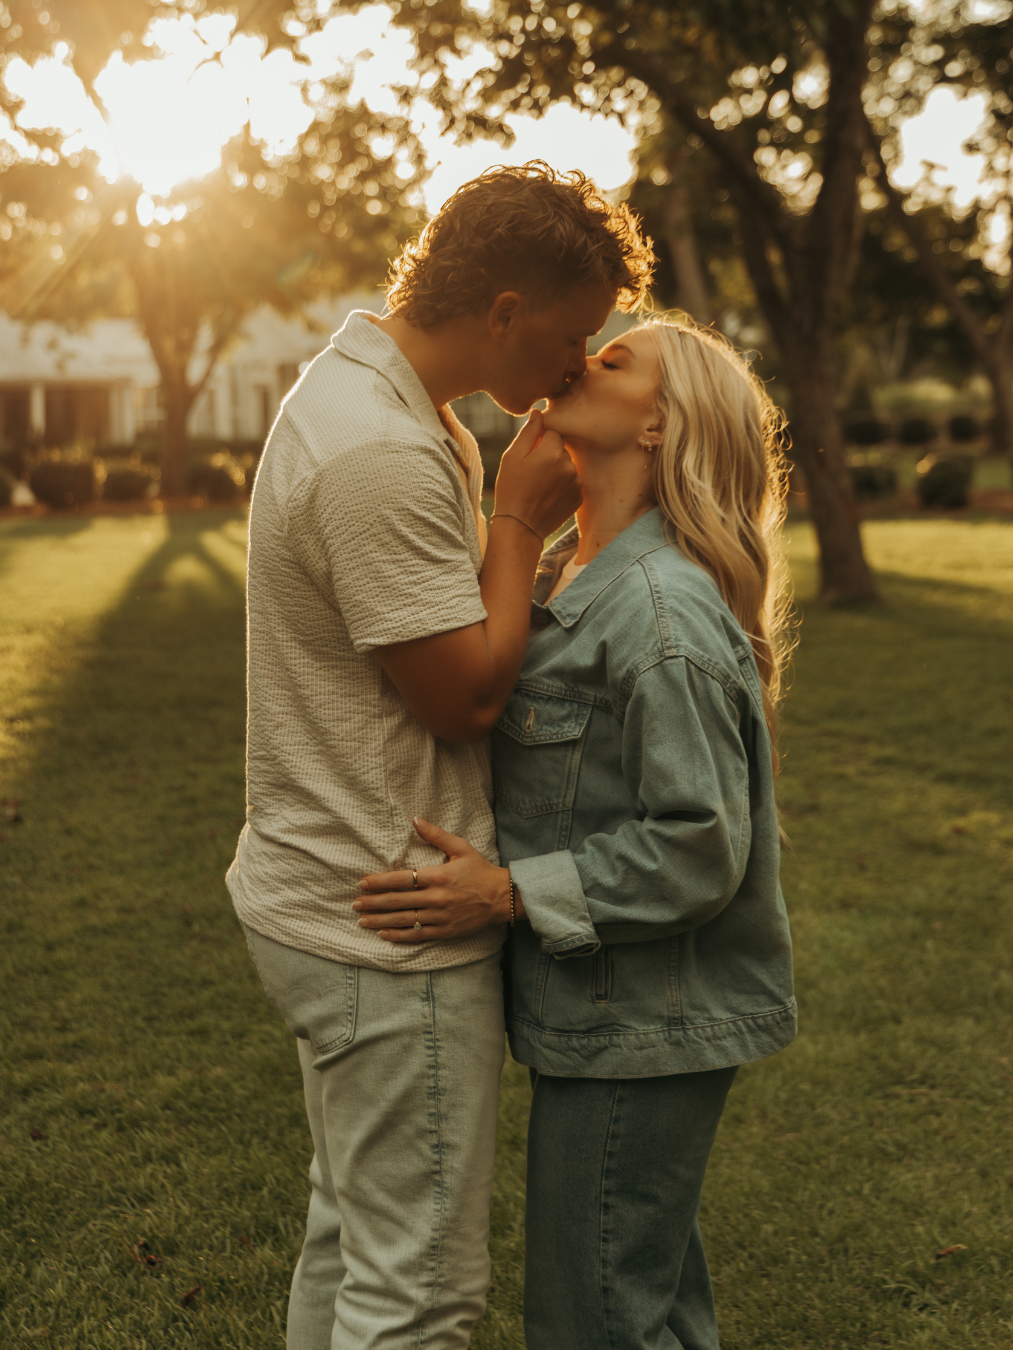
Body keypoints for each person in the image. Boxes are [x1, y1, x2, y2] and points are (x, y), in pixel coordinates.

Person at [226, 161, 654, 1350]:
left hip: (336, 886)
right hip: (388, 915)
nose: (577, 365)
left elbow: (453, 623)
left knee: (354, 1243)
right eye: (573, 336)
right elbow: (464, 695)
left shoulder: (386, 400)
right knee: (415, 1296)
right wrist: (518, 517)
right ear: (506, 309)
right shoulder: (378, 449)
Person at [355, 315, 797, 1350]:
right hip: (612, 1018)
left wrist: (507, 892)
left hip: (645, 1029)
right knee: (639, 1303)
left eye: (613, 361)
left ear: (659, 427)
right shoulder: (564, 578)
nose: (576, 363)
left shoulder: (658, 611)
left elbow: (698, 844)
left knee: (592, 1319)